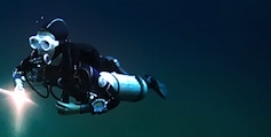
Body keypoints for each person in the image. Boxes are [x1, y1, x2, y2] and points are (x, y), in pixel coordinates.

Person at [12, 18, 167, 115]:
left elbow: (112, 102)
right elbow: (18, 70)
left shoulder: (82, 71)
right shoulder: (38, 57)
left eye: (45, 44)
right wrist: (19, 85)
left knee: (121, 85)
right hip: (71, 83)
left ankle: (149, 82)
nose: (39, 49)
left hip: (102, 74)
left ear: (59, 45)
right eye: (35, 42)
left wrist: (78, 109)